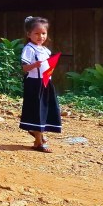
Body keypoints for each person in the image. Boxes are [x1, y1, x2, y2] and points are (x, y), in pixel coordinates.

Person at [20, 16, 61, 153]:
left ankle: (37, 133)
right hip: (34, 83)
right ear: (29, 34)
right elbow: (24, 68)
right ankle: (38, 141)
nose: (40, 36)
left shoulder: (45, 50)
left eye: (43, 33)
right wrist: (34, 65)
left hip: (46, 83)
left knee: (45, 110)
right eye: (36, 33)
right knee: (37, 110)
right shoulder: (29, 49)